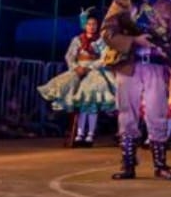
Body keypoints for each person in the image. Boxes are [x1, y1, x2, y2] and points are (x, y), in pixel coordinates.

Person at [101, 0, 171, 181]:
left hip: (155, 66)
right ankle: (128, 165)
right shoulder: (121, 3)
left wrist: (169, 49)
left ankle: (160, 165)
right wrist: (134, 40)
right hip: (129, 64)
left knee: (157, 113)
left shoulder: (166, 6)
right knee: (126, 114)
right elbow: (107, 32)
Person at [37, 8, 115, 147]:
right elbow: (69, 56)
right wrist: (75, 67)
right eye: (89, 24)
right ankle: (79, 134)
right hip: (79, 70)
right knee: (78, 102)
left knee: (91, 102)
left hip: (94, 72)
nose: (91, 27)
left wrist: (89, 67)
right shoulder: (77, 40)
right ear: (85, 25)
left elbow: (104, 58)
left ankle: (90, 135)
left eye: (94, 24)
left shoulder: (101, 41)